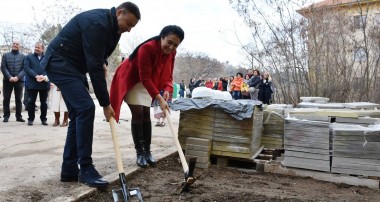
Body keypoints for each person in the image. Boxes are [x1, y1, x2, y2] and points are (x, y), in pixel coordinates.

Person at [41, 2, 141, 188]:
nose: (128, 30)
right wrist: (106, 104)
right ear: (120, 12)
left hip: (74, 66)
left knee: (79, 113)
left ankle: (69, 170)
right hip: (60, 62)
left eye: (132, 27)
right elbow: (93, 65)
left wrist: (102, 62)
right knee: (86, 107)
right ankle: (86, 167)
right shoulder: (97, 23)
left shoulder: (114, 29)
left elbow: (99, 54)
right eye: (128, 24)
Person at [110, 25, 185, 168]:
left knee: (146, 115)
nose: (171, 47)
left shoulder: (172, 53)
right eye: (169, 42)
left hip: (149, 82)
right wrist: (160, 98)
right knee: (138, 113)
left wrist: (167, 89)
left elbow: (169, 74)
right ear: (162, 36)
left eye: (175, 45)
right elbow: (144, 78)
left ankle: (147, 152)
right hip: (132, 79)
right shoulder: (147, 48)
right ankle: (140, 153)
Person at [24, 42, 50, 126]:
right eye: (35, 47)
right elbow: (26, 68)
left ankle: (43, 119)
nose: (36, 48)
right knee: (31, 102)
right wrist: (36, 76)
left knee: (44, 102)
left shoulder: (47, 57)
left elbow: (49, 69)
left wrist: (44, 76)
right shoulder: (29, 57)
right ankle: (30, 119)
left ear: (42, 49)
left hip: (44, 83)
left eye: (38, 47)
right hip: (32, 83)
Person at [1, 40, 25, 123]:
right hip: (7, 81)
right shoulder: (5, 55)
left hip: (19, 81)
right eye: (14, 44)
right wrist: (9, 77)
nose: (15, 45)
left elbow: (24, 68)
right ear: (12, 45)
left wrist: (18, 77)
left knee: (18, 99)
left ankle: (18, 116)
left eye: (17, 44)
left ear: (19, 46)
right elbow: (3, 67)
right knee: (6, 99)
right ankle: (6, 116)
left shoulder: (23, 56)